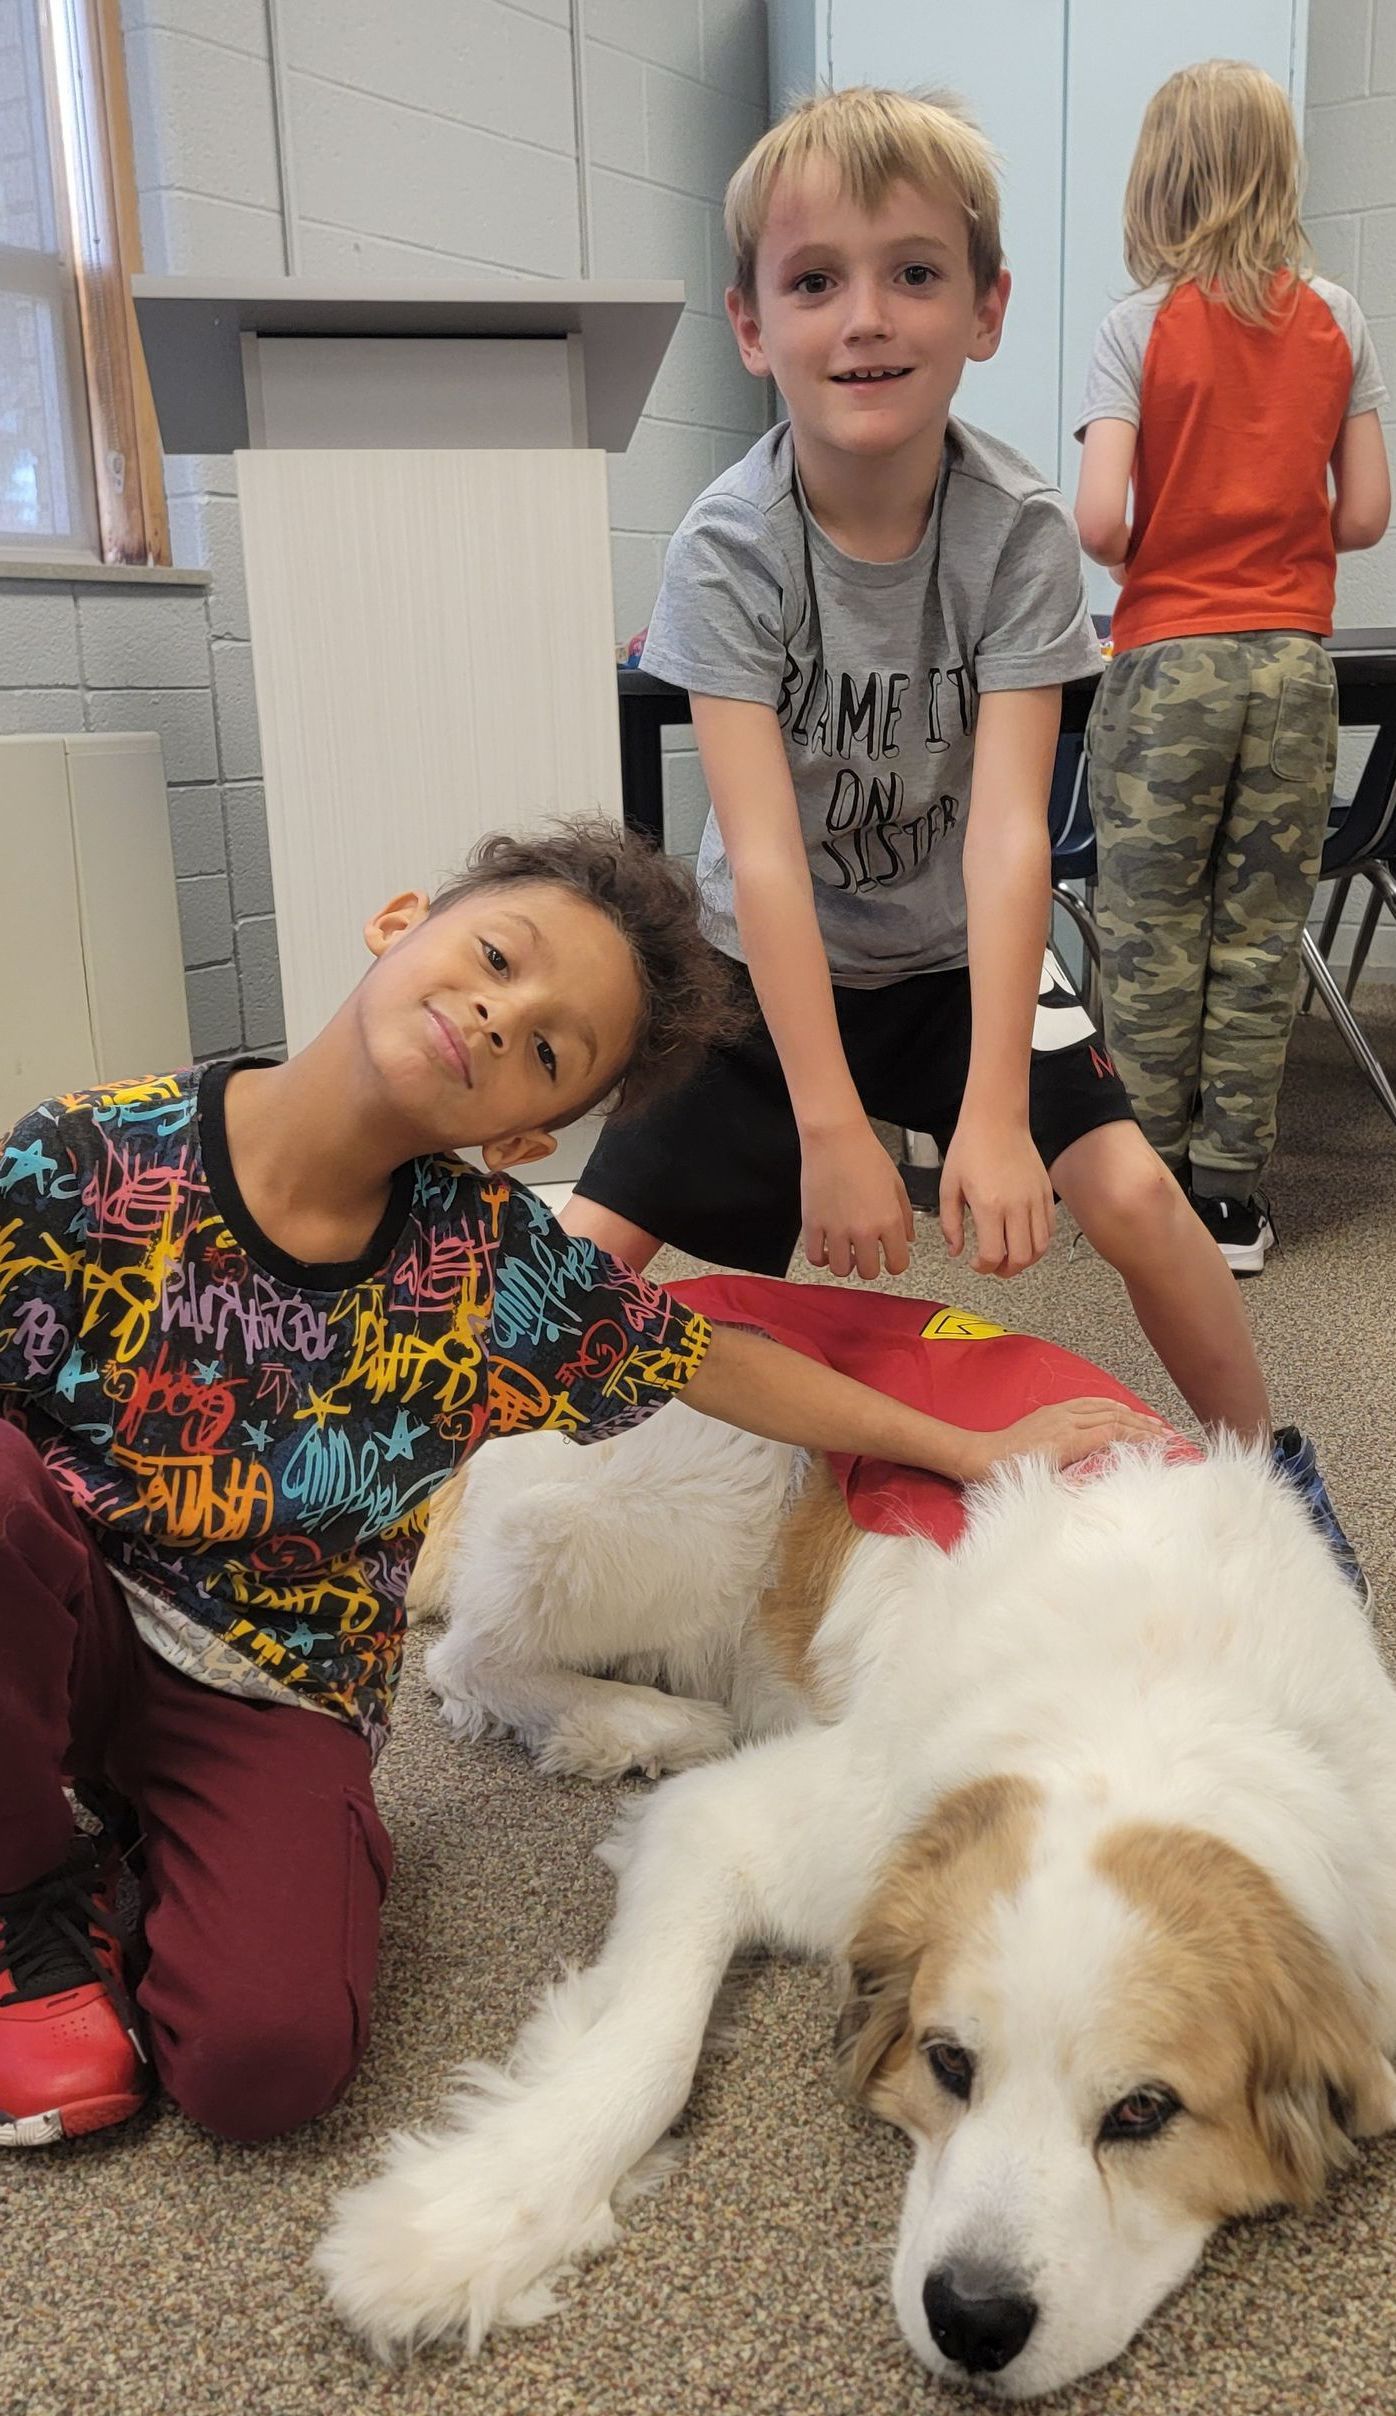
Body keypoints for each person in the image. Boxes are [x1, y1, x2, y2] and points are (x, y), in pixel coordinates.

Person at [0, 820, 1158, 2153]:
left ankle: (194, 1838)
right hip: (64, 1612)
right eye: (497, 956)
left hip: (274, 1683)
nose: (502, 1016)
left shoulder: (485, 1263)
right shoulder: (84, 1159)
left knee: (267, 2067)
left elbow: (709, 1357)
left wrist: (964, 1450)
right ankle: (25, 1891)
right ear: (396, 923)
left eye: (548, 1049)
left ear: (525, 1131)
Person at [560, 87, 1366, 1587]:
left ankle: (1270, 1482)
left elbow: (1011, 836)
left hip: (952, 957)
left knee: (1135, 1190)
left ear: (986, 310)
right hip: (759, 972)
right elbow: (764, 853)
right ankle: (413, 1501)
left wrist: (992, 1105)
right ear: (751, 324)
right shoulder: (726, 547)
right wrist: (828, 1126)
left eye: (914, 273)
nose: (866, 318)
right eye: (816, 281)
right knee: (576, 1258)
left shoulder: (1021, 531)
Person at [1075, 58, 1390, 1275]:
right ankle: (1230, 1201)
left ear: (1159, 175)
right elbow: (1363, 514)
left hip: (1167, 664)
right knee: (1261, 932)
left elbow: (1102, 521)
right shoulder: (1337, 316)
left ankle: (1145, 1185)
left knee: (1151, 925)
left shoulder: (1135, 327)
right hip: (1291, 669)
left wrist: (1171, 531)